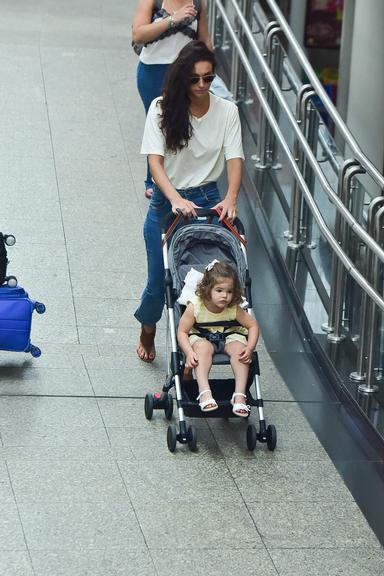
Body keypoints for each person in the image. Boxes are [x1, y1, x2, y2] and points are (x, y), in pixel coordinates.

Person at [134, 41, 244, 363]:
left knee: (207, 282)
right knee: (159, 282)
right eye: (194, 79)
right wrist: (175, 198)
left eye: (208, 79)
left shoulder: (227, 111)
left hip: (210, 200)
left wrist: (231, 197)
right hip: (168, 203)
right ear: (182, 77)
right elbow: (155, 163)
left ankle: (196, 346)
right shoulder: (161, 108)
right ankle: (148, 327)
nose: (201, 86)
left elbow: (235, 158)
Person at [132, 0, 212, 198]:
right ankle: (153, 179)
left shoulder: (198, 4)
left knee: (186, 123)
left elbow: (205, 41)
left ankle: (180, 178)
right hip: (153, 71)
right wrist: (172, 19)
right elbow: (138, 34)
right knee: (159, 124)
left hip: (185, 73)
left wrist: (210, 68)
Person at [177, 261, 259, 416]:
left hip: (230, 335)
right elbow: (182, 331)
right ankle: (204, 392)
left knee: (239, 351)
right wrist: (188, 352)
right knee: (202, 349)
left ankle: (239, 396)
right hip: (201, 336)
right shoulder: (195, 306)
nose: (225, 296)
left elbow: (253, 326)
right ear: (207, 290)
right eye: (219, 290)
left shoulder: (233, 307)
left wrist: (249, 348)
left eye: (229, 291)